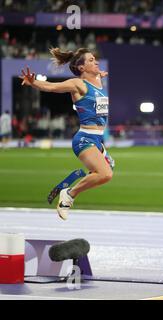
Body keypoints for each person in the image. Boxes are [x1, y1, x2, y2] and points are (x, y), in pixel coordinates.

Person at [20, 48, 114, 220]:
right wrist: (34, 83)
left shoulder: (97, 80)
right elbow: (52, 87)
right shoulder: (78, 84)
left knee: (106, 172)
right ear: (81, 68)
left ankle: (75, 183)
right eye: (92, 60)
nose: (97, 62)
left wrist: (99, 73)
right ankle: (69, 195)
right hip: (85, 139)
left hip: (98, 139)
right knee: (105, 173)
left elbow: (97, 74)